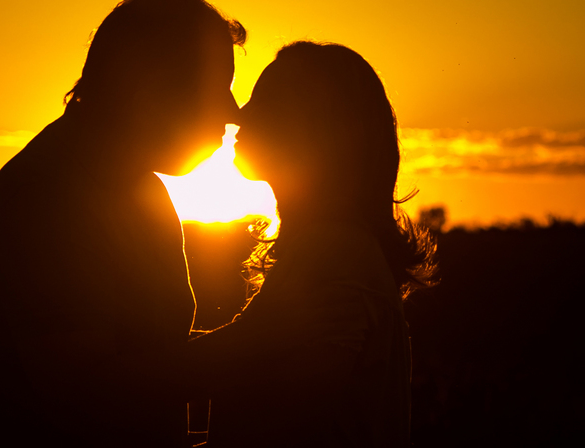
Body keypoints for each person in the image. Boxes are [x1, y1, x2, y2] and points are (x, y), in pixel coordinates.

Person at [0, 0, 246, 448]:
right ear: (149, 87)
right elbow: (86, 394)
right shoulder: (49, 195)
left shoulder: (134, 188)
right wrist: (258, 345)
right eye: (216, 89)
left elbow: (141, 370)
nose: (232, 113)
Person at [186, 41, 437, 447]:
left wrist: (110, 374)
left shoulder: (335, 253)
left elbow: (279, 427)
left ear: (315, 129)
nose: (239, 116)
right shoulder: (333, 248)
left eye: (264, 102)